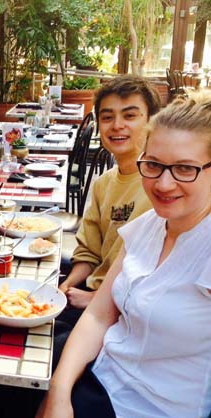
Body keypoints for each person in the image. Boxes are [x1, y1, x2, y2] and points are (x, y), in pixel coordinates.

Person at [33, 89, 211, 418]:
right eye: (154, 165)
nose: (163, 183)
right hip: (101, 384)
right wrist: (59, 391)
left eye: (184, 169)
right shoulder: (150, 225)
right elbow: (98, 316)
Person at [59, 76, 161, 324]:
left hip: (127, 315)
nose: (117, 125)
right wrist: (67, 286)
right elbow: (90, 253)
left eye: (130, 116)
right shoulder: (103, 183)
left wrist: (94, 298)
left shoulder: (163, 188)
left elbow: (158, 277)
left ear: (152, 121)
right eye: (107, 117)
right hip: (91, 294)